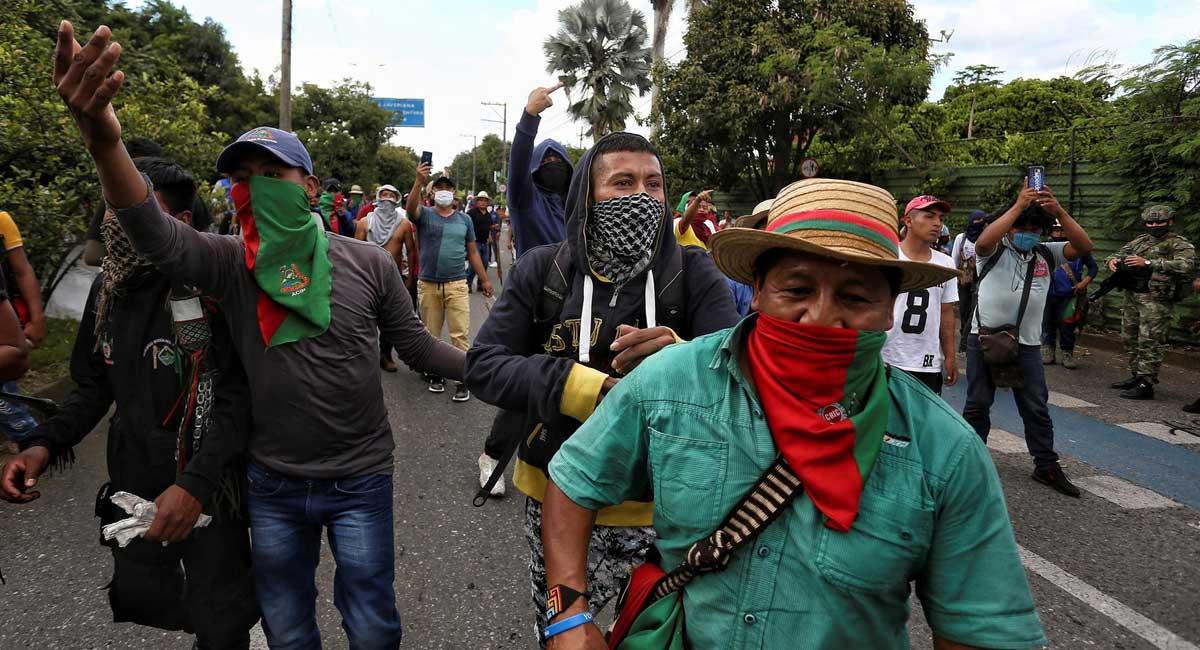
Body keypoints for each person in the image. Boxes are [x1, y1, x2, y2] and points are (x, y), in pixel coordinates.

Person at [51, 22, 467, 648]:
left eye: (273, 172)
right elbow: (151, 232)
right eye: (244, 176)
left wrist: (496, 368)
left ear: (310, 187)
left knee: (372, 620)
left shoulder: (368, 262)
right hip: (272, 483)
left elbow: (418, 348)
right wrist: (107, 143)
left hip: (360, 478)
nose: (255, 187)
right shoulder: (228, 261)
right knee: (287, 624)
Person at [539, 178, 1044, 650]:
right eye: (797, 290)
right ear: (757, 291)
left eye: (855, 297)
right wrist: (567, 613)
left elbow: (981, 629)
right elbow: (572, 479)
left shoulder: (945, 450)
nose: (821, 318)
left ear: (890, 308)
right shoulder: (670, 381)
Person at [465, 131, 740, 641]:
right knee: (566, 633)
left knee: (658, 636)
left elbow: (740, 373)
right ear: (587, 197)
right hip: (557, 500)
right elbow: (483, 365)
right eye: (622, 182)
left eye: (653, 184)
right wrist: (581, 387)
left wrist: (682, 356)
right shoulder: (543, 269)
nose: (641, 196)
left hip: (669, 506)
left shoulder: (693, 271)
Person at [1, 157, 259, 648]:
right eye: (113, 211)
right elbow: (92, 386)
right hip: (134, 474)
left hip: (209, 481)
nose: (118, 227)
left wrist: (195, 486)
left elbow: (237, 399)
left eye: (136, 213)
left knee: (222, 617)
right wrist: (43, 444)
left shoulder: (213, 289)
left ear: (179, 226)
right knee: (145, 595)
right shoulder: (109, 289)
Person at [964, 178, 1093, 497]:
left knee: (1036, 406)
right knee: (978, 404)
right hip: (984, 339)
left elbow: (1084, 247)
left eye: (1036, 229)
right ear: (1009, 228)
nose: (1029, 234)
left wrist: (1059, 211)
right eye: (1023, 228)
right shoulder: (993, 250)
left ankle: (1046, 465)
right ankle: (967, 462)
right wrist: (1019, 206)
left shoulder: (1046, 254)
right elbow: (981, 242)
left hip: (1028, 345)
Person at [405, 167, 493, 401]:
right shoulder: (424, 215)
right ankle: (435, 374)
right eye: (439, 188)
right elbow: (409, 210)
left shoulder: (464, 220)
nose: (444, 191)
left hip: (456, 284)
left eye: (448, 188)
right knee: (430, 334)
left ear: (454, 193)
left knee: (460, 333)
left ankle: (462, 377)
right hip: (429, 284)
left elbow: (473, 252)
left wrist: (484, 279)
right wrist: (418, 182)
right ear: (432, 192)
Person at [1105, 205, 1195, 400]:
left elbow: (1186, 265)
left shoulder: (1178, 244)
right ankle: (1136, 375)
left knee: (1150, 341)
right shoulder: (1141, 241)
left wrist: (1148, 263)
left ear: (1170, 222)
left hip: (1157, 300)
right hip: (1133, 297)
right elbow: (1118, 254)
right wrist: (1112, 261)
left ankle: (1147, 382)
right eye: (1150, 222)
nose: (1154, 226)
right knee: (1129, 337)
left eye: (1159, 222)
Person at [882, 195, 959, 394]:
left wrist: (950, 355)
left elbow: (946, 313)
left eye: (941, 218)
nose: (937, 224)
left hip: (926, 362)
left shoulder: (946, 264)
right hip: (886, 357)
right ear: (908, 220)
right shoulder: (888, 257)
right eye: (929, 216)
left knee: (922, 423)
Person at [356, 184, 418, 372]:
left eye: (392, 195)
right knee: (365, 318)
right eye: (384, 194)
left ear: (397, 199)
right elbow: (355, 252)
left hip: (393, 277)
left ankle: (385, 354)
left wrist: (410, 279)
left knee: (390, 319)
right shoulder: (364, 223)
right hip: (367, 278)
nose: (388, 198)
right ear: (378, 197)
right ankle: (364, 356)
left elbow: (411, 251)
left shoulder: (404, 224)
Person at [509, 83, 575, 257]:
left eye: (558, 160)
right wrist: (529, 116)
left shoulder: (577, 209)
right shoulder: (527, 201)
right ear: (535, 168)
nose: (553, 164)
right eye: (546, 161)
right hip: (533, 283)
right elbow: (518, 166)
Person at [0, 210, 47, 450]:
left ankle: (33, 447)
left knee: (10, 407)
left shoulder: (2, 220)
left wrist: (37, 318)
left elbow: (22, 270)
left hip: (5, 325)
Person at [1042, 220, 1098, 369]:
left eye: (1062, 230)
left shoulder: (1077, 249)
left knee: (1067, 325)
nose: (1059, 233)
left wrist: (1084, 283)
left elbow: (1093, 268)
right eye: (1056, 230)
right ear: (1050, 232)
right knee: (1047, 323)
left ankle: (1067, 353)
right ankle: (1048, 350)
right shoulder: (1044, 248)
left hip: (1069, 295)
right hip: (1047, 294)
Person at [950, 210, 988, 352]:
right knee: (964, 309)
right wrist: (953, 279)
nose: (978, 225)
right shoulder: (962, 238)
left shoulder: (985, 237)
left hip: (979, 280)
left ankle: (966, 341)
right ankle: (964, 331)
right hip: (963, 279)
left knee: (974, 309)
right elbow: (954, 258)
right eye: (976, 221)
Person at [466, 191, 495, 291]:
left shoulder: (488, 214)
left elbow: (490, 226)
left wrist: (491, 234)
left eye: (485, 201)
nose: (483, 202)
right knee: (473, 266)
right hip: (474, 243)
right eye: (481, 200)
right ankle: (468, 284)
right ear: (477, 202)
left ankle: (480, 284)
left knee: (485, 263)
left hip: (485, 242)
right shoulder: (471, 213)